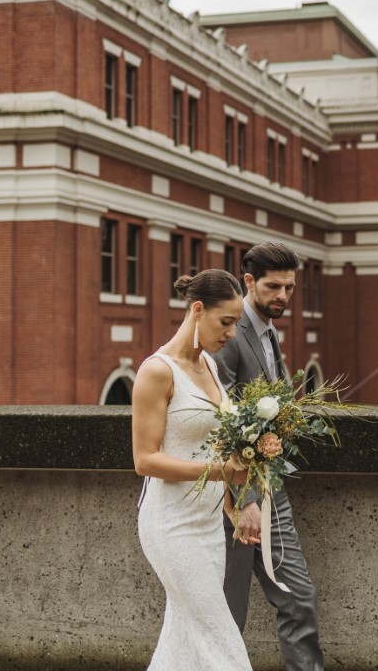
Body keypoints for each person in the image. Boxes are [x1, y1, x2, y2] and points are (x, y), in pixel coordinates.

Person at [132, 269, 254, 670]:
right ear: (197, 310)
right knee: (219, 637)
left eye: (236, 323)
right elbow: (145, 460)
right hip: (171, 525)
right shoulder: (156, 371)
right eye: (226, 322)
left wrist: (234, 504)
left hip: (207, 526)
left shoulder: (211, 367)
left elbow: (218, 444)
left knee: (183, 640)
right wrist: (223, 472)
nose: (232, 333)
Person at [215, 242, 324, 671]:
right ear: (248, 282)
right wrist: (243, 501)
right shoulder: (228, 334)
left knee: (299, 600)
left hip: (270, 487)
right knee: (229, 611)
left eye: (289, 288)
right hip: (235, 498)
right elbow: (217, 422)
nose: (282, 296)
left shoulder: (267, 328)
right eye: (273, 286)